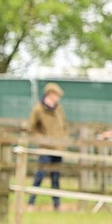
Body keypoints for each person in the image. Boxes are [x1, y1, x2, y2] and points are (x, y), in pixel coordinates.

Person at [27, 82, 68, 211]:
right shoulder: (38, 109)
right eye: (57, 95)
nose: (58, 98)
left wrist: (63, 139)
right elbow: (32, 128)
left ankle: (57, 205)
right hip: (45, 148)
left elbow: (64, 126)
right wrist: (42, 140)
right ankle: (31, 203)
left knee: (56, 177)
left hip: (58, 148)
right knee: (40, 175)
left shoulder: (59, 109)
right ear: (50, 94)